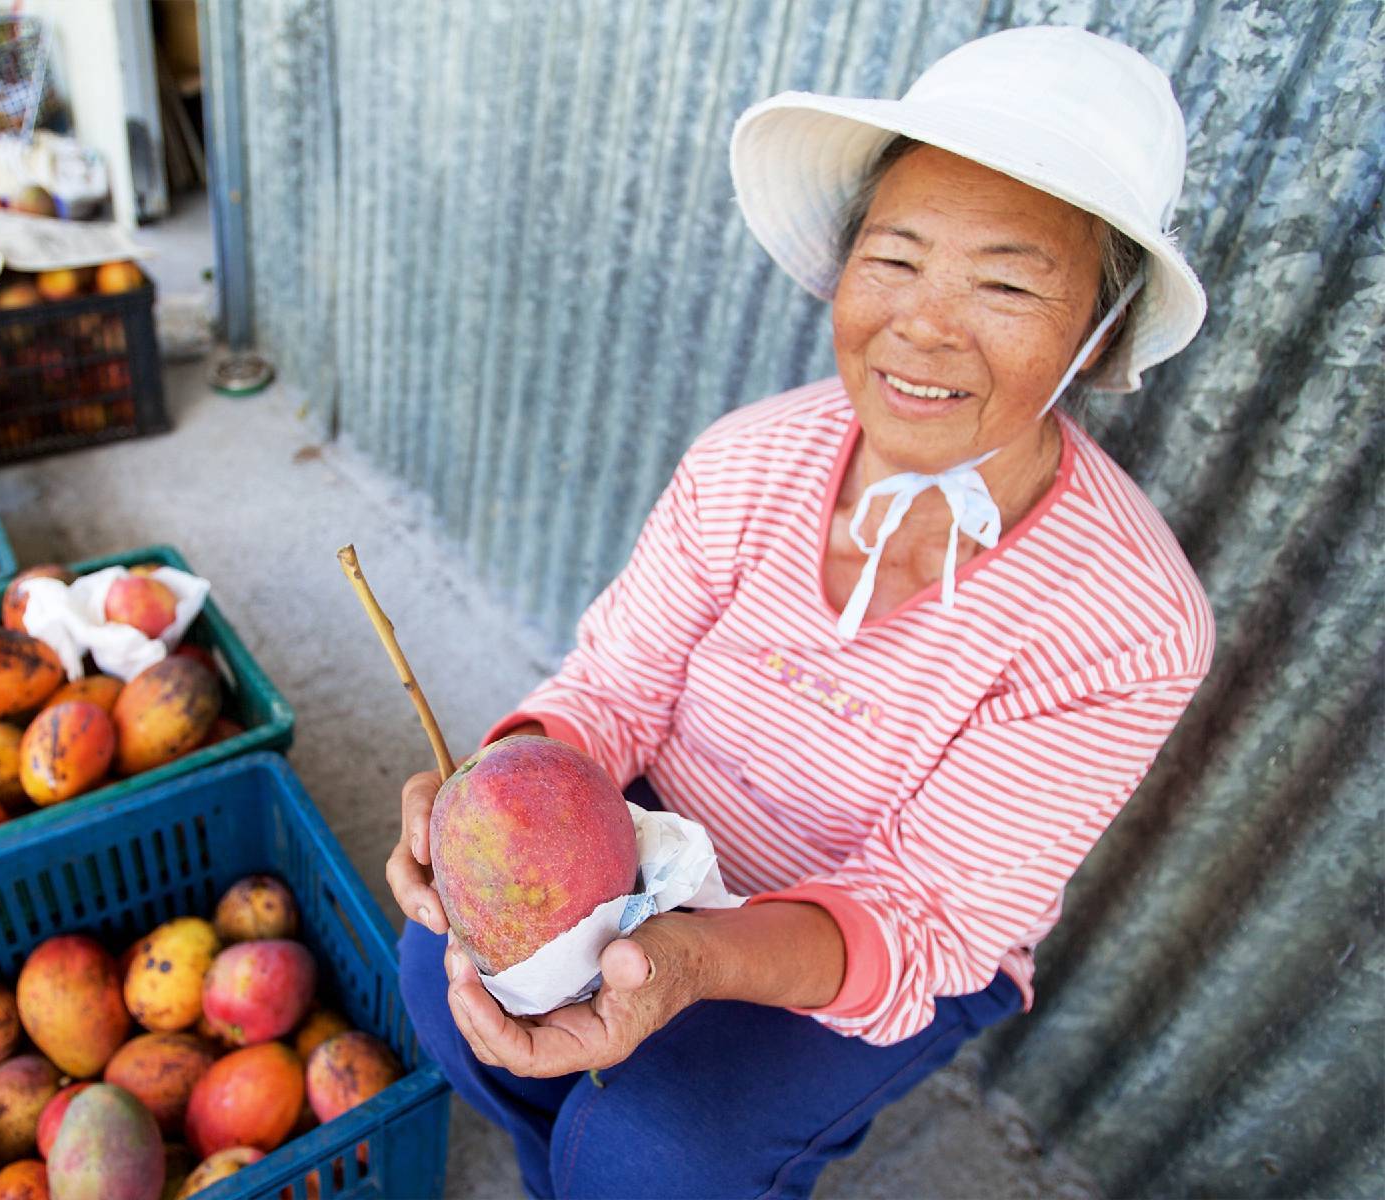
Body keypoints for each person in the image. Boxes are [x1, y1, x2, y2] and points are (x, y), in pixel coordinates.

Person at [386, 25, 1216, 1200]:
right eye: (897, 258)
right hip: (673, 832)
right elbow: (613, 689)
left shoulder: (1130, 621)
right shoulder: (750, 461)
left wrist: (683, 965)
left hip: (878, 936)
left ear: (1100, 332)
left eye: (1007, 283)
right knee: (441, 973)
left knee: (657, 1154)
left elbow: (927, 911)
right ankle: (551, 1164)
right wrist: (494, 796)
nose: (924, 327)